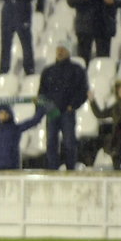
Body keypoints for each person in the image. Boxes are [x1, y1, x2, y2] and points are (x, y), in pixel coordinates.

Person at [38, 43, 87, 171]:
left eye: (63, 49)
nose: (60, 52)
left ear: (68, 52)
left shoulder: (77, 69)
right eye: (58, 49)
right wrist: (47, 107)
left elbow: (82, 91)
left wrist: (73, 105)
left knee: (69, 143)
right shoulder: (48, 71)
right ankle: (52, 170)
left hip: (67, 111)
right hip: (52, 111)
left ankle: (71, 170)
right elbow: (42, 92)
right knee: (51, 143)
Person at [0, 104, 45, 171]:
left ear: (10, 114)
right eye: (1, 112)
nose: (4, 115)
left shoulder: (15, 128)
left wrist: (42, 107)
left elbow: (34, 121)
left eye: (6, 113)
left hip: (12, 167)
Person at [87, 80, 121, 170]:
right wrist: (92, 101)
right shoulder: (116, 107)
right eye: (119, 90)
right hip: (118, 141)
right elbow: (100, 114)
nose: (120, 92)